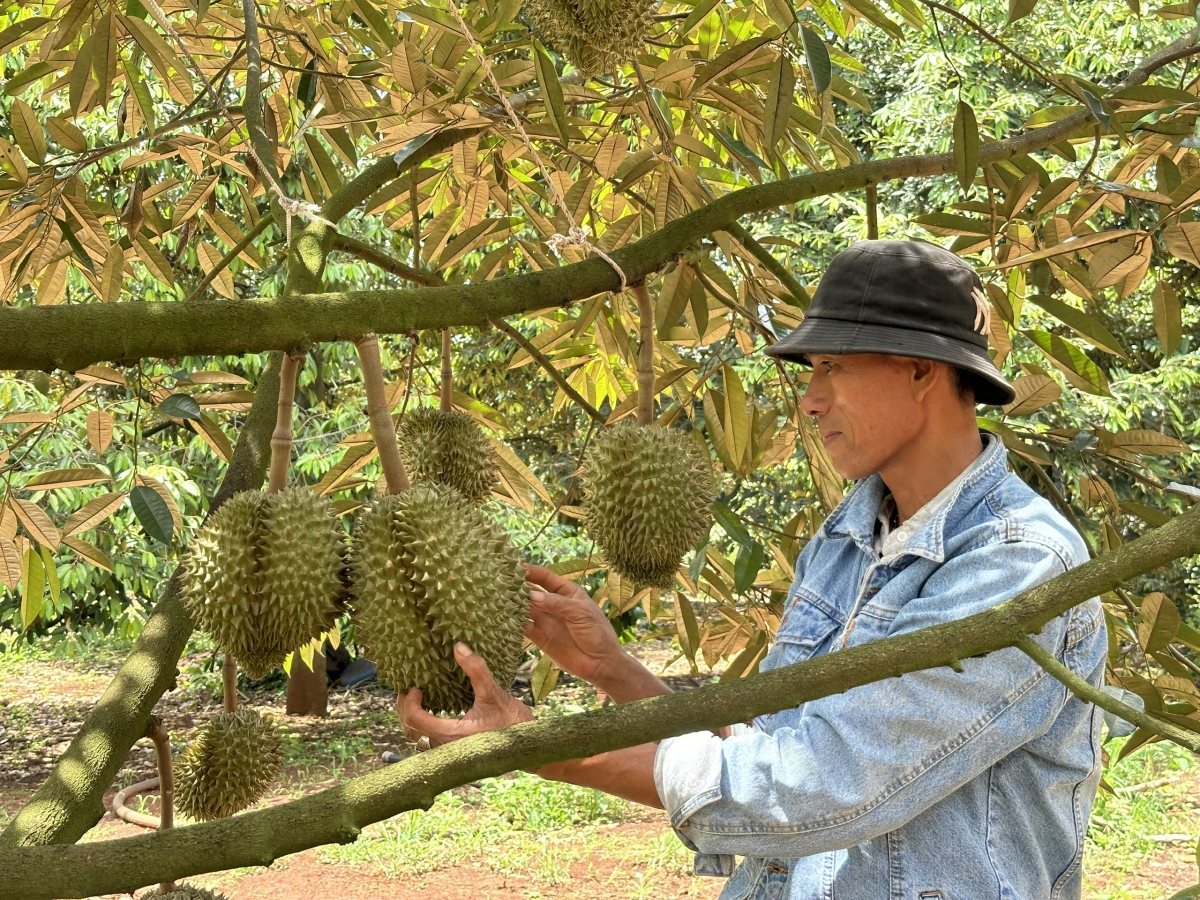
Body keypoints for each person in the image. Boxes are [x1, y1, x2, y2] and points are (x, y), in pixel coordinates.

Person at [398, 240, 1105, 899]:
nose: (811, 397)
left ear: (920, 370)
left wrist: (538, 751)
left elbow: (827, 785)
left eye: (832, 366)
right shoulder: (844, 540)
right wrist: (611, 669)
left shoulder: (1017, 564)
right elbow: (774, 751)